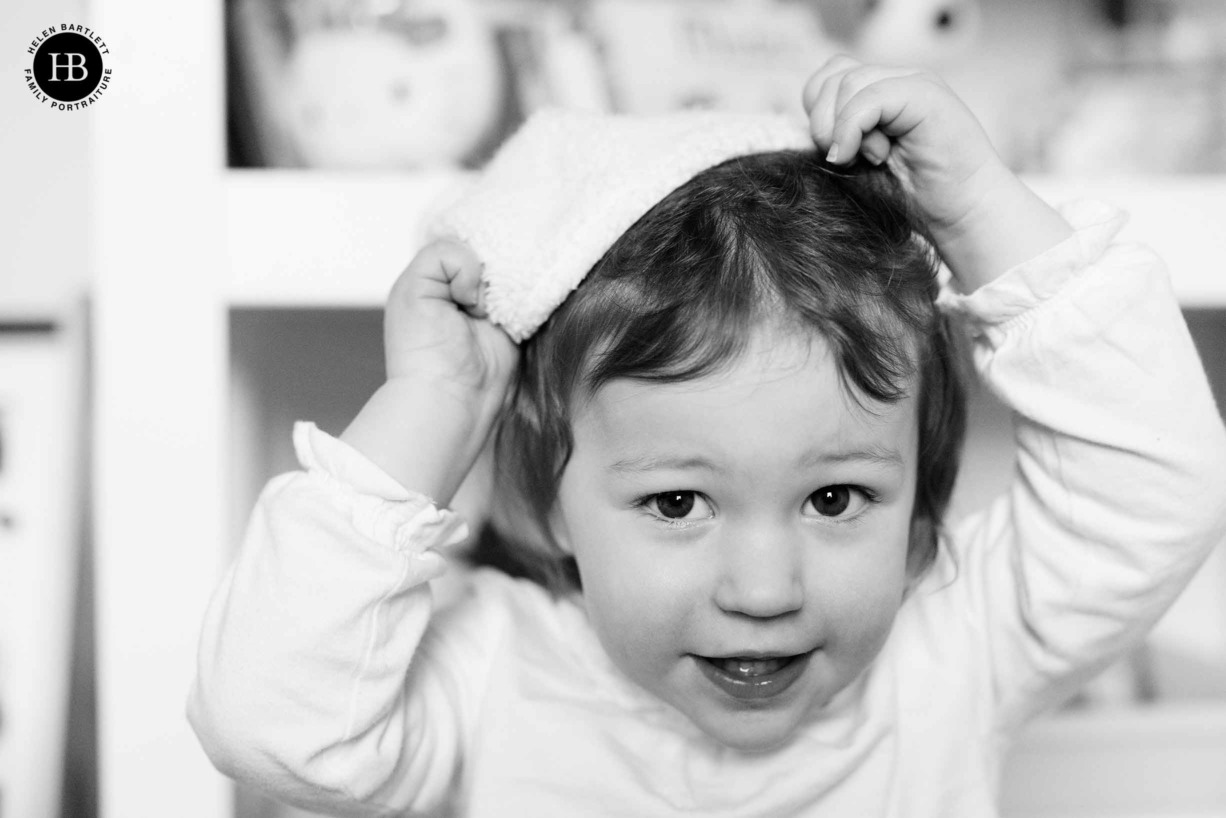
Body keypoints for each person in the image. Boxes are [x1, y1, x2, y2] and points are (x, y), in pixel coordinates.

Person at [188, 57, 1226, 816]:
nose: (763, 586)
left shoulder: (949, 645)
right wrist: (433, 402)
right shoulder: (486, 670)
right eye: (676, 501)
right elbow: (266, 724)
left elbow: (1156, 488)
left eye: (834, 497)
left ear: (917, 513)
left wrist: (984, 215)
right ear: (551, 498)